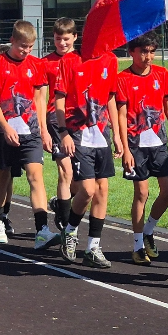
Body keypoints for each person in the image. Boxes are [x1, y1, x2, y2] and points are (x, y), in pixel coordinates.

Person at [0, 20, 58, 249]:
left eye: (30, 47)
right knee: (4, 176)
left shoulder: (37, 65)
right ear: (12, 41)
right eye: (22, 46)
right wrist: (6, 127)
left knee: (35, 176)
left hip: (31, 132)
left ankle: (42, 230)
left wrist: (44, 131)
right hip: (3, 132)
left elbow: (39, 100)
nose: (26, 51)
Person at [55, 48, 121, 268]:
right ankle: (71, 230)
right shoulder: (70, 60)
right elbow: (59, 99)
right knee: (88, 189)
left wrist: (118, 135)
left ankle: (93, 246)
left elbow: (111, 98)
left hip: (102, 134)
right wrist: (63, 132)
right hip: (77, 132)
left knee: (102, 189)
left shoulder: (110, 59)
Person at [117, 32, 168, 266]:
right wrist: (124, 147)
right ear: (132, 52)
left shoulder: (161, 75)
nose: (148, 56)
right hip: (136, 145)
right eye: (143, 51)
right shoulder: (123, 79)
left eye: (152, 51)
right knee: (142, 193)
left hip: (159, 143)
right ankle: (137, 246)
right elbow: (121, 115)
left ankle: (149, 230)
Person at [42, 17, 81, 233]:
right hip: (55, 120)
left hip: (79, 120)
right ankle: (66, 224)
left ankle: (61, 202)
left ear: (75, 37)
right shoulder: (45, 62)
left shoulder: (81, 60)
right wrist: (42, 130)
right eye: (58, 39)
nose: (62, 43)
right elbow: (38, 97)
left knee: (79, 178)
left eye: (66, 39)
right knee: (65, 170)